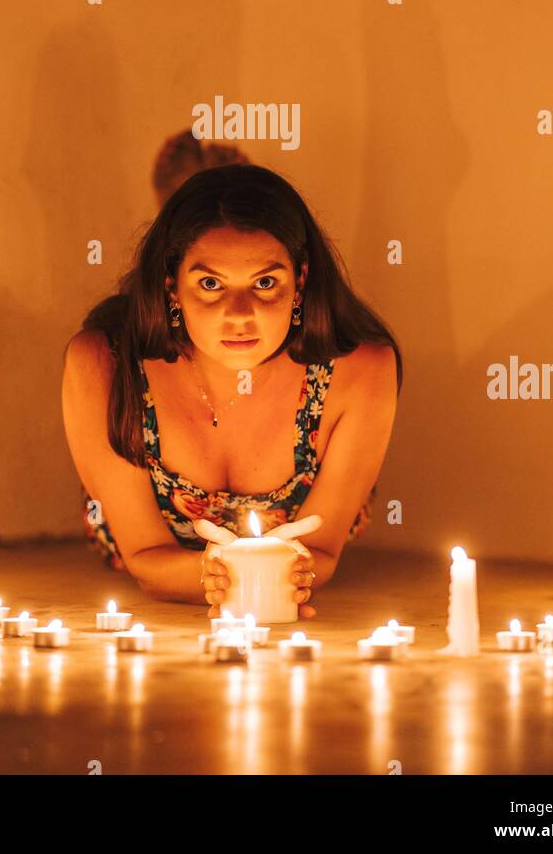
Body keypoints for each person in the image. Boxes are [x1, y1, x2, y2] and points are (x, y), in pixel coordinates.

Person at [61, 164, 403, 619]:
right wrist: (244, 580)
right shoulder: (104, 364)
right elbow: (146, 556)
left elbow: (319, 552)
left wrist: (285, 578)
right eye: (210, 284)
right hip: (143, 545)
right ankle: (202, 180)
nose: (239, 315)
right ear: (172, 287)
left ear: (299, 282)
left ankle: (205, 183)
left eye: (265, 283)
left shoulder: (361, 371)